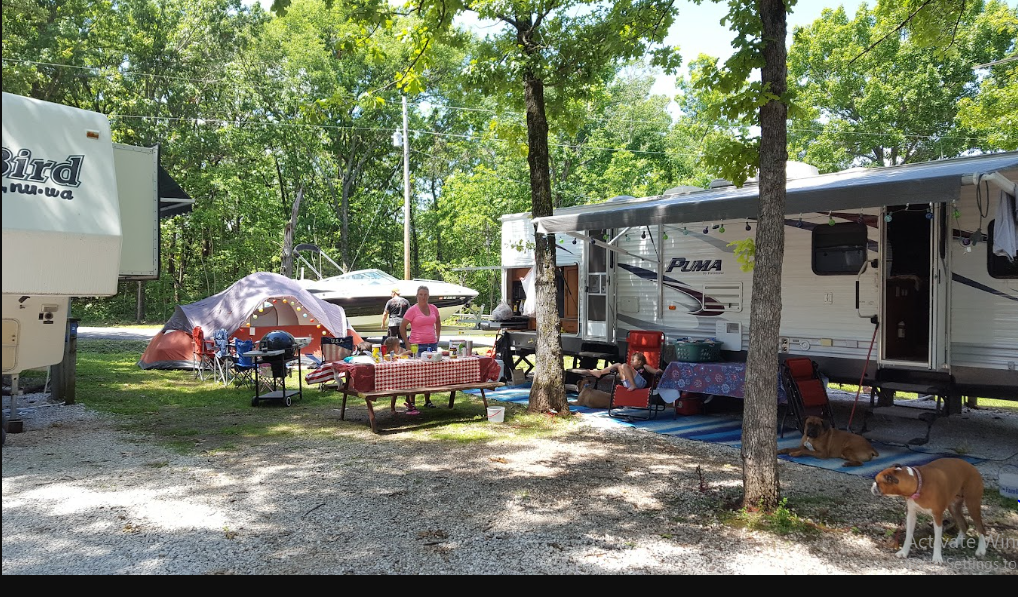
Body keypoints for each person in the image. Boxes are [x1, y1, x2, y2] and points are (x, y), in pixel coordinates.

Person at [400, 284, 442, 408]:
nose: (423, 297)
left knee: (430, 373)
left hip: (431, 344)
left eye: (425, 295)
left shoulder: (433, 308)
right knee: (416, 373)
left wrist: (438, 336)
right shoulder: (412, 310)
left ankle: (427, 400)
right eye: (421, 295)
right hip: (416, 345)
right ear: (417, 296)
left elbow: (438, 322)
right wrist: (407, 344)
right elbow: (402, 327)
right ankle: (412, 401)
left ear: (428, 296)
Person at [586, 351, 661, 390]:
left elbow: (655, 371)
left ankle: (633, 385)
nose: (631, 361)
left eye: (633, 360)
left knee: (624, 365)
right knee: (619, 365)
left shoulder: (644, 366)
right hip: (628, 384)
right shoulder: (632, 370)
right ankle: (600, 372)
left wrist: (660, 371)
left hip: (640, 384)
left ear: (639, 362)